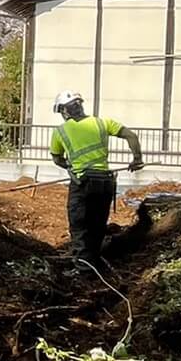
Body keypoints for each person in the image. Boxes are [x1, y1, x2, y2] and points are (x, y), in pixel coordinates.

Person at [48, 90, 142, 263]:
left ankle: (83, 268)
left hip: (82, 183)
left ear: (64, 111)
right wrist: (137, 159)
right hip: (105, 183)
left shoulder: (60, 131)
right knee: (98, 225)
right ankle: (94, 260)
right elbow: (131, 136)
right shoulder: (102, 123)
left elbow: (57, 158)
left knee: (79, 225)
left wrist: (68, 166)